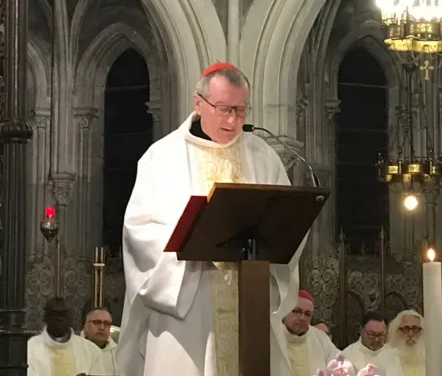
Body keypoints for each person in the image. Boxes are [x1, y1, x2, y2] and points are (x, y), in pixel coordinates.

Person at [116, 62, 307, 376]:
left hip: (248, 298)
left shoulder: (262, 155)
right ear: (198, 104)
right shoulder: (162, 156)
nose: (232, 120)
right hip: (190, 306)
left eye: (241, 110)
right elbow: (139, 230)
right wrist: (190, 242)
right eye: (223, 109)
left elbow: (285, 224)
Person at [28, 297, 103, 375]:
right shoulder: (31, 348)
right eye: (54, 314)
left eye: (63, 314)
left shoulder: (90, 350)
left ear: (71, 317)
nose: (59, 318)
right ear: (45, 318)